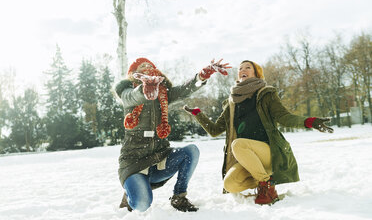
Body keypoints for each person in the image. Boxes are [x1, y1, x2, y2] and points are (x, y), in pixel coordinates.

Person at [183, 60, 333, 205]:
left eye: (247, 67)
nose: (242, 70)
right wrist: (198, 114)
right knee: (230, 184)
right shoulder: (232, 103)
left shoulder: (265, 94)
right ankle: (264, 179)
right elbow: (215, 130)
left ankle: (266, 186)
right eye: (240, 69)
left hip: (268, 153)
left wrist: (309, 121)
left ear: (256, 74)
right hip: (247, 157)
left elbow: (284, 117)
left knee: (238, 144)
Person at [115, 57, 231, 212]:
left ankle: (179, 196)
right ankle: (131, 192)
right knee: (142, 205)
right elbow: (133, 97)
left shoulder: (163, 93)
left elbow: (185, 89)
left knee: (191, 151)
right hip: (134, 163)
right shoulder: (127, 92)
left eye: (150, 66)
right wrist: (145, 89)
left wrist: (201, 76)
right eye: (142, 66)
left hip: (159, 158)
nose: (147, 68)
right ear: (134, 74)